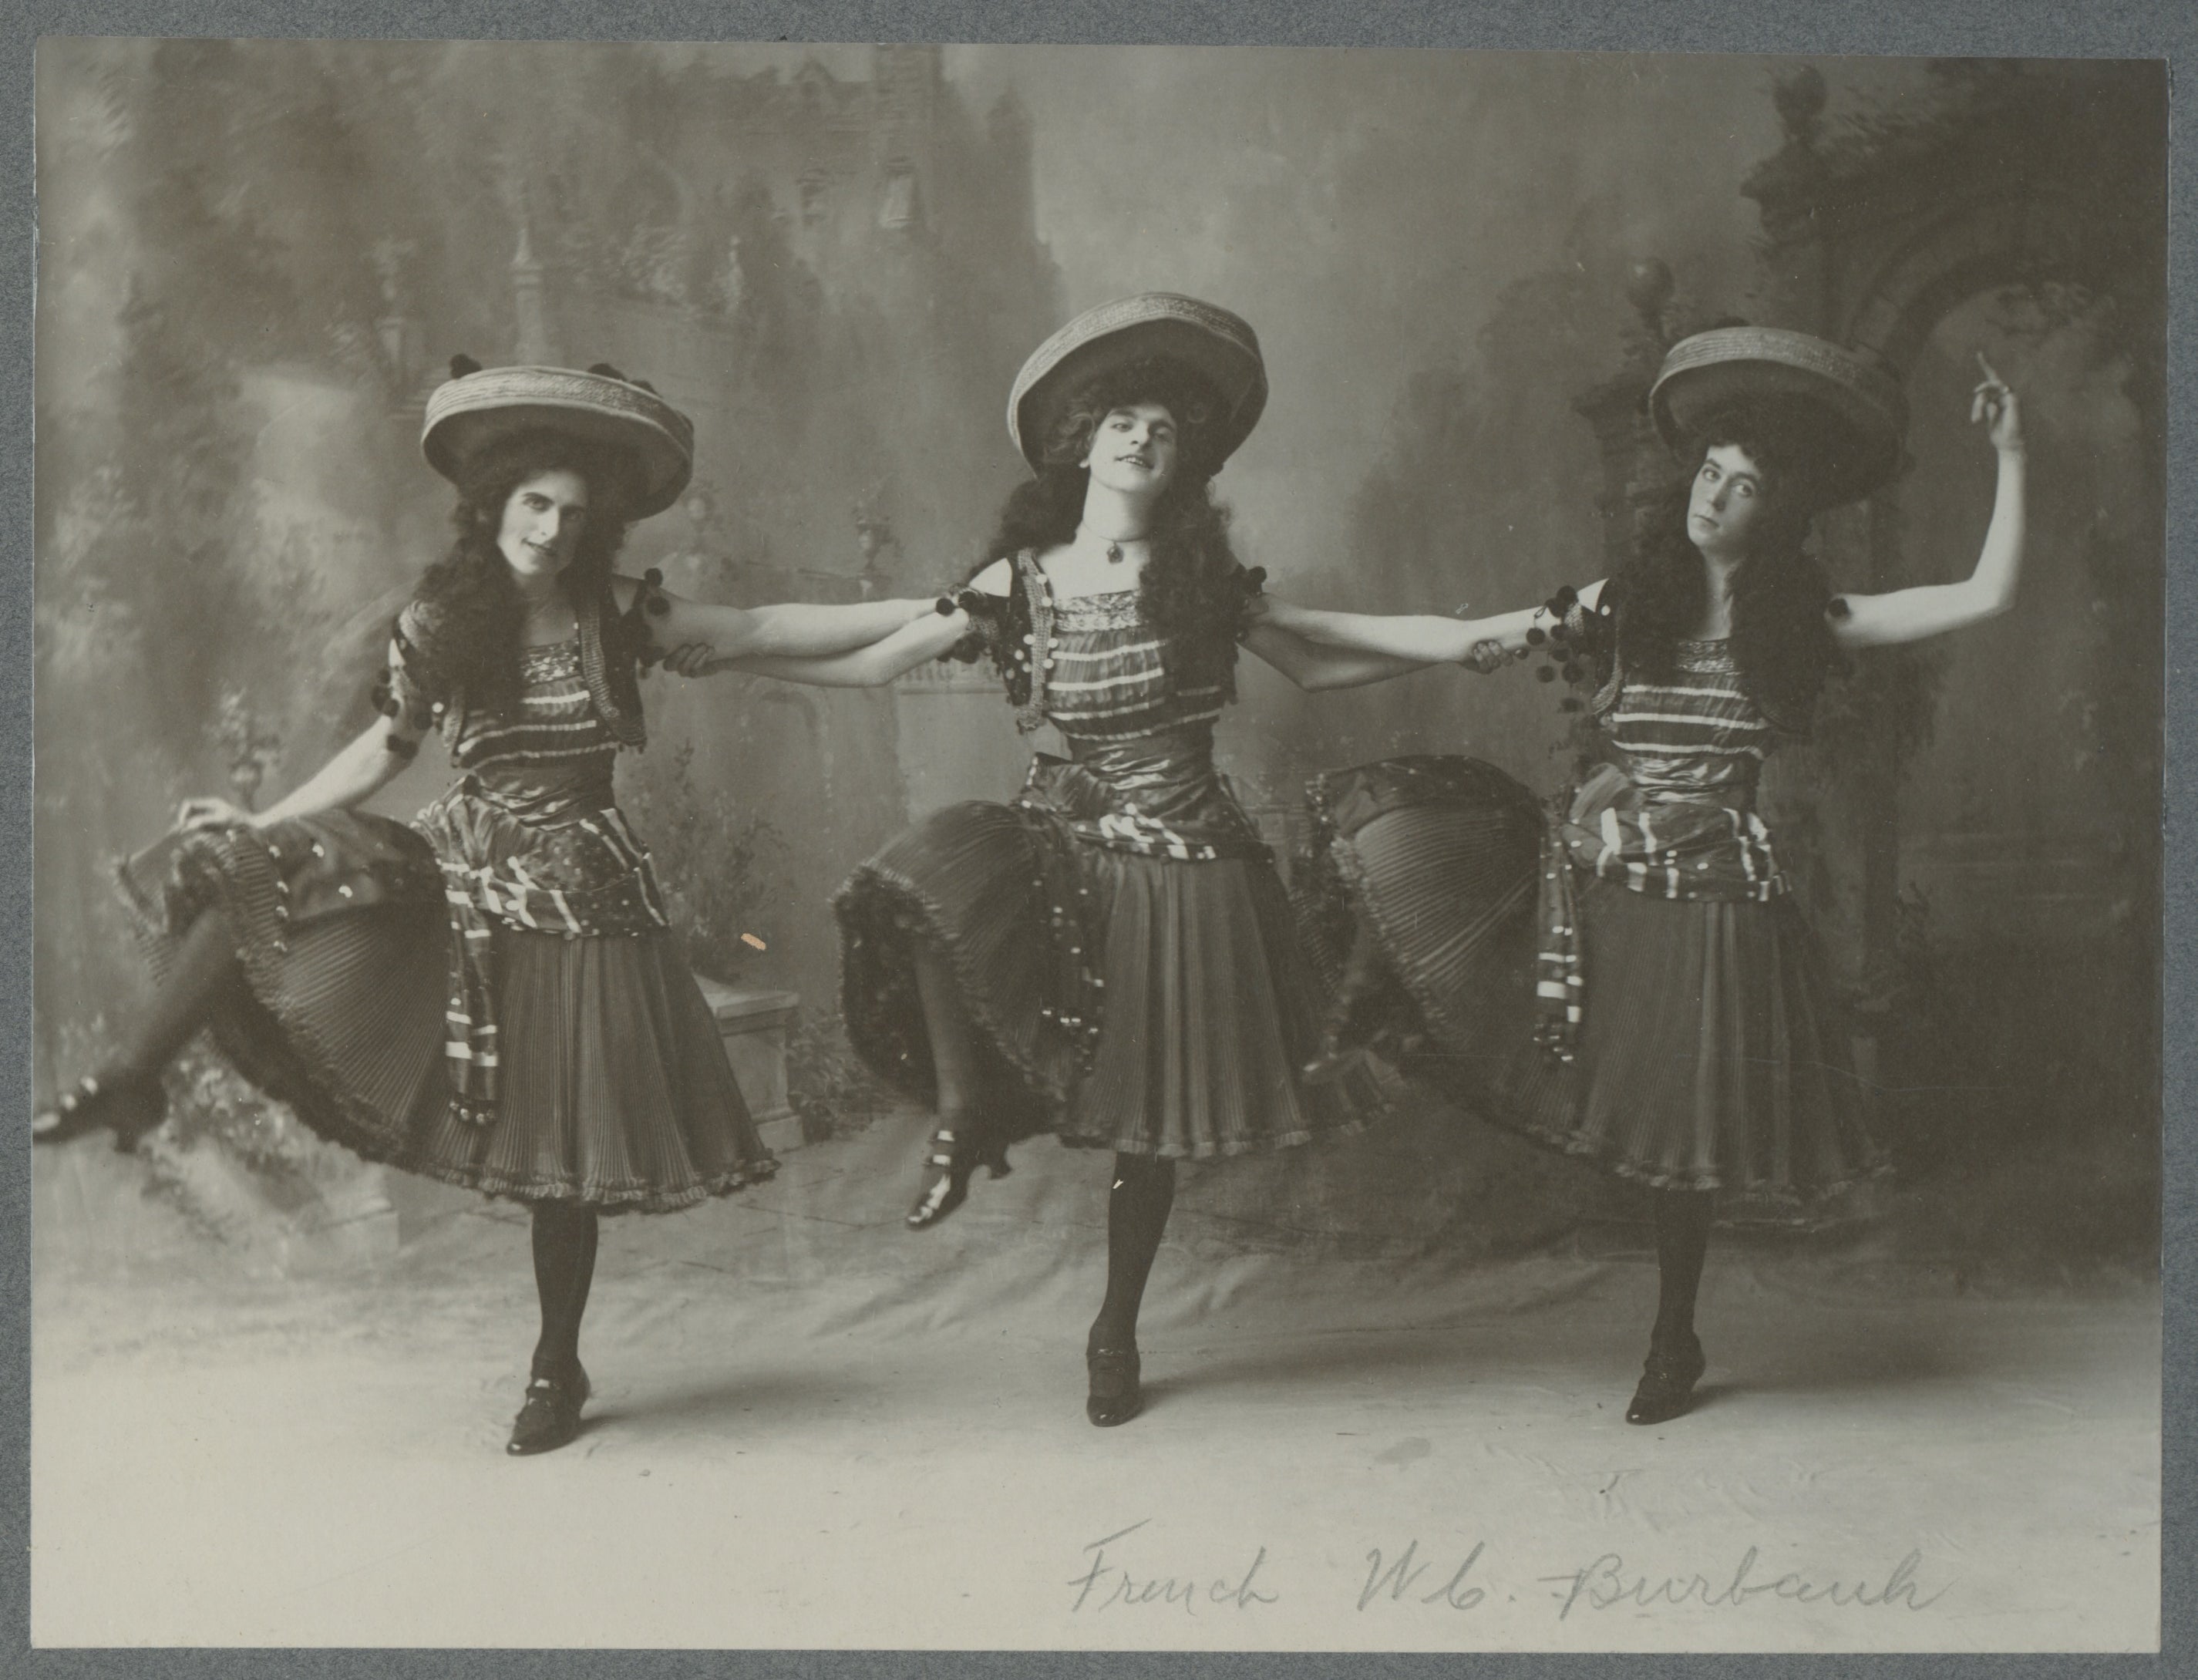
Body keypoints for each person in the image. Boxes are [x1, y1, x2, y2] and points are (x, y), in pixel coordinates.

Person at [35, 357, 955, 1456]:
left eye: (573, 514)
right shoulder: (443, 618)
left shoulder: (621, 612)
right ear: (495, 504)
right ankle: (133, 1079)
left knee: (563, 1151)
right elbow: (387, 748)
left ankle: (556, 1366)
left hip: (588, 902)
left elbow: (761, 627)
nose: (552, 530)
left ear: (594, 526)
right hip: (464, 874)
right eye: (535, 504)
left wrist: (935, 610)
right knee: (253, 868)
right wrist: (263, 814)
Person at [1256, 328, 2027, 1426]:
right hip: (1612, 879)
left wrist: (2011, 454)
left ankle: (1675, 1339)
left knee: (1681, 1140)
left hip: (1716, 905)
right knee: (1426, 895)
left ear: (1777, 511)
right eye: (1709, 473)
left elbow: (1985, 595)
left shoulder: (1806, 622)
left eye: (1744, 485)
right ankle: (1368, 1031)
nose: (1715, 496)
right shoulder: (1627, 602)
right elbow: (1460, 638)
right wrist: (1275, 624)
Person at [813, 294, 1433, 1428]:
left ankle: (1115, 1331)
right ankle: (962, 1109)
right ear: (1082, 444)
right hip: (1065, 845)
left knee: (1151, 1117)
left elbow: (1331, 654)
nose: (1143, 439)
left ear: (1183, 463)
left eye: (1164, 430)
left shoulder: (1202, 581)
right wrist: (694, 636)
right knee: (924, 878)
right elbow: (868, 654)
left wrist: (1491, 636)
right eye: (1122, 423)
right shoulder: (1020, 579)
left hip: (1187, 866)